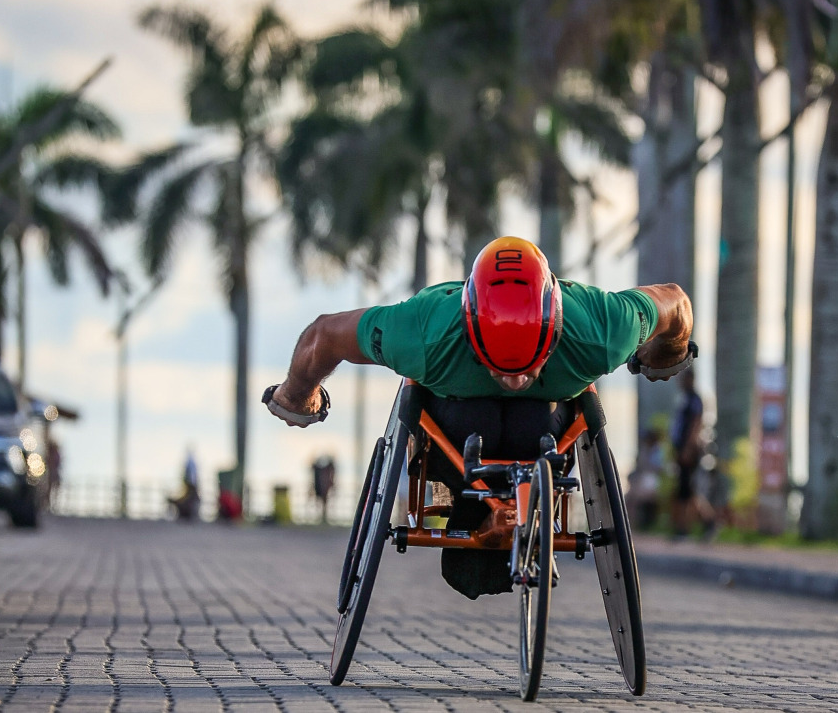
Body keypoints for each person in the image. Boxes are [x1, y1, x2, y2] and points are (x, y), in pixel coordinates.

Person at [263, 236, 694, 598]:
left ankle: (520, 504)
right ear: (470, 331)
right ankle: (482, 510)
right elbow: (323, 336)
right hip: (460, 434)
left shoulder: (602, 329)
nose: (513, 382)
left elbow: (674, 303)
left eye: (528, 369)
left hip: (541, 434)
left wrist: (667, 351)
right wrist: (297, 394)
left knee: (531, 422)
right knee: (481, 422)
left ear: (556, 329)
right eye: (499, 369)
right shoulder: (424, 332)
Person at [669, 369, 705, 538]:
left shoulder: (694, 399)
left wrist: (688, 448)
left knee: (686, 491)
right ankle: (706, 521)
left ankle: (685, 527)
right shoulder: (684, 398)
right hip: (681, 448)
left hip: (688, 450)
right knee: (687, 490)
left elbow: (695, 424)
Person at [626, 429, 664, 529]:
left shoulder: (656, 452)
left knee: (632, 499)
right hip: (641, 479)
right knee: (629, 499)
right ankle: (631, 524)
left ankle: (632, 525)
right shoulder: (644, 450)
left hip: (649, 480)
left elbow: (656, 468)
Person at [169, 446, 201, 521]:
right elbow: (194, 474)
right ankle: (191, 514)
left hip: (190, 483)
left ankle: (188, 514)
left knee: (189, 499)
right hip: (192, 483)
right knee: (191, 499)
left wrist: (188, 482)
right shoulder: (192, 461)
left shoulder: (189, 461)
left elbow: (189, 474)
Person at [311, 454, 336, 524]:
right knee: (322, 502)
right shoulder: (324, 470)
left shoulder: (323, 470)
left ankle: (323, 517)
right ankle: (322, 517)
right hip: (321, 486)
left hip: (322, 486)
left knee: (323, 502)